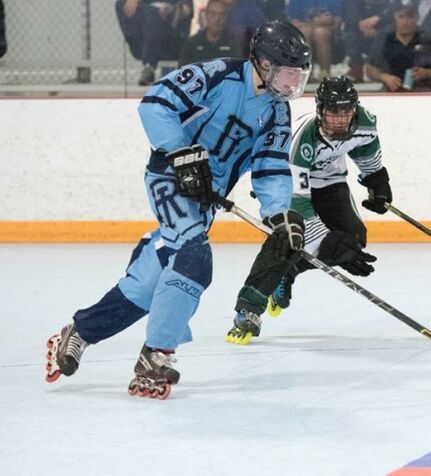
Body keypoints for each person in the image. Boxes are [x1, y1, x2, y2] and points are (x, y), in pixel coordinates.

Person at [44, 20, 312, 400]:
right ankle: (157, 353)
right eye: (288, 74)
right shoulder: (218, 75)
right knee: (193, 259)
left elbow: (270, 167)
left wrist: (280, 213)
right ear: (265, 64)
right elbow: (156, 102)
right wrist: (181, 152)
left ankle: (82, 331)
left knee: (151, 282)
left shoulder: (278, 112)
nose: (292, 85)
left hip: (206, 198)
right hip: (170, 178)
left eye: (299, 76)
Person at [225, 75, 392, 345]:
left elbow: (367, 157)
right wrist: (324, 241)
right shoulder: (303, 137)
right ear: (319, 109)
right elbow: (298, 202)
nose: (340, 120)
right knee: (289, 238)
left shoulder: (365, 123)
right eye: (332, 112)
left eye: (346, 111)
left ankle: (288, 273)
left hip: (330, 183)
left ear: (355, 108)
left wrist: (377, 183)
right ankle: (248, 308)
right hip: (284, 184)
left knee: (353, 240)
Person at [365, 0, 431, 92]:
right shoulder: (385, 39)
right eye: (401, 17)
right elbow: (369, 69)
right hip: (390, 93)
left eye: (410, 17)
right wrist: (384, 77)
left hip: (423, 92)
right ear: (394, 17)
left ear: (417, 18)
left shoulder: (428, 39)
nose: (405, 22)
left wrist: (429, 73)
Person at [115, 0, 195, 85]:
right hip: (143, 46)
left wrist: (183, 9)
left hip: (173, 44)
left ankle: (149, 67)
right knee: (122, 3)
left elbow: (188, 9)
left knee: (156, 16)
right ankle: (149, 66)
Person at [287, 0, 345, 81]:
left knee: (320, 33)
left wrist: (315, 25)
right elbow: (293, 23)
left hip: (331, 36)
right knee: (305, 32)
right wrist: (317, 22)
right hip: (305, 30)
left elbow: (337, 23)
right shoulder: (297, 2)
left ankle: (325, 74)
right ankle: (306, 74)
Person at [178, 0, 243, 66]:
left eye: (222, 14)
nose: (217, 18)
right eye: (213, 13)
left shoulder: (235, 44)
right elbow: (182, 72)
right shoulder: (192, 44)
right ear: (206, 15)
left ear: (226, 17)